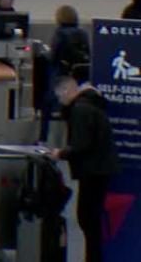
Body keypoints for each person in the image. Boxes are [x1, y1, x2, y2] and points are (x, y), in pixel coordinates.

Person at [53, 74, 120, 262]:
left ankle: (92, 258)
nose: (61, 101)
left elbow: (81, 144)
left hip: (93, 170)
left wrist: (61, 153)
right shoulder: (92, 104)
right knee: (90, 217)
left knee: (86, 217)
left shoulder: (80, 110)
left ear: (67, 91)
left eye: (60, 96)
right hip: (100, 168)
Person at [42, 5, 91, 141]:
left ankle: (43, 137)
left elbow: (53, 57)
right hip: (79, 76)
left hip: (62, 75)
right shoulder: (83, 33)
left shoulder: (60, 33)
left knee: (47, 103)